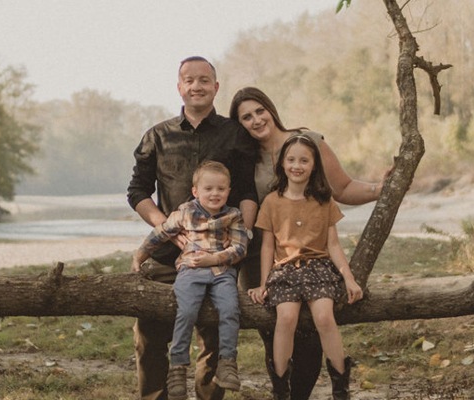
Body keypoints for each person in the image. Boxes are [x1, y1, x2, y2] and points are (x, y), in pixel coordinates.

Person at [230, 86, 385, 399]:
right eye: (246, 117)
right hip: (266, 256)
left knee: (313, 333)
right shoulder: (246, 159)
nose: (256, 120)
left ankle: (306, 392)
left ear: (270, 109)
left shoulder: (309, 140)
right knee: (275, 328)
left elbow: (342, 187)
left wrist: (382, 188)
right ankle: (282, 392)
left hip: (313, 257)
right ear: (240, 124)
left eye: (260, 111)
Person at [127, 56, 258, 400]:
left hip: (218, 255)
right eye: (189, 80)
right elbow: (138, 192)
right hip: (168, 254)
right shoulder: (157, 135)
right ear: (179, 87)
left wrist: (241, 235)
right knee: (149, 337)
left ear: (216, 87)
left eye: (204, 80)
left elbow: (247, 192)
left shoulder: (235, 135)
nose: (196, 86)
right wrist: (168, 228)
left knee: (213, 339)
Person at [248, 133, 365, 400]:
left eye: (304, 160)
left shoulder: (324, 200)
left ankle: (340, 387)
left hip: (318, 268)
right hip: (285, 272)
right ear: (282, 164)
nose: (296, 165)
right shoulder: (272, 201)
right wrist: (264, 283)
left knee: (324, 317)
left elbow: (333, 245)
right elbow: (267, 247)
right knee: (286, 319)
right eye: (291, 160)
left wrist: (349, 278)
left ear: (314, 165)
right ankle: (281, 389)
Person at [131, 161, 249, 400]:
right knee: (186, 311)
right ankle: (177, 367)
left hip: (221, 272)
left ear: (228, 190)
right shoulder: (185, 212)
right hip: (190, 271)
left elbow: (240, 248)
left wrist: (214, 258)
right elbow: (160, 233)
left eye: (221, 189)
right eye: (209, 189)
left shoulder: (234, 215)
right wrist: (140, 255)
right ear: (196, 191)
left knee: (229, 309)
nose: (215, 193)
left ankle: (228, 362)